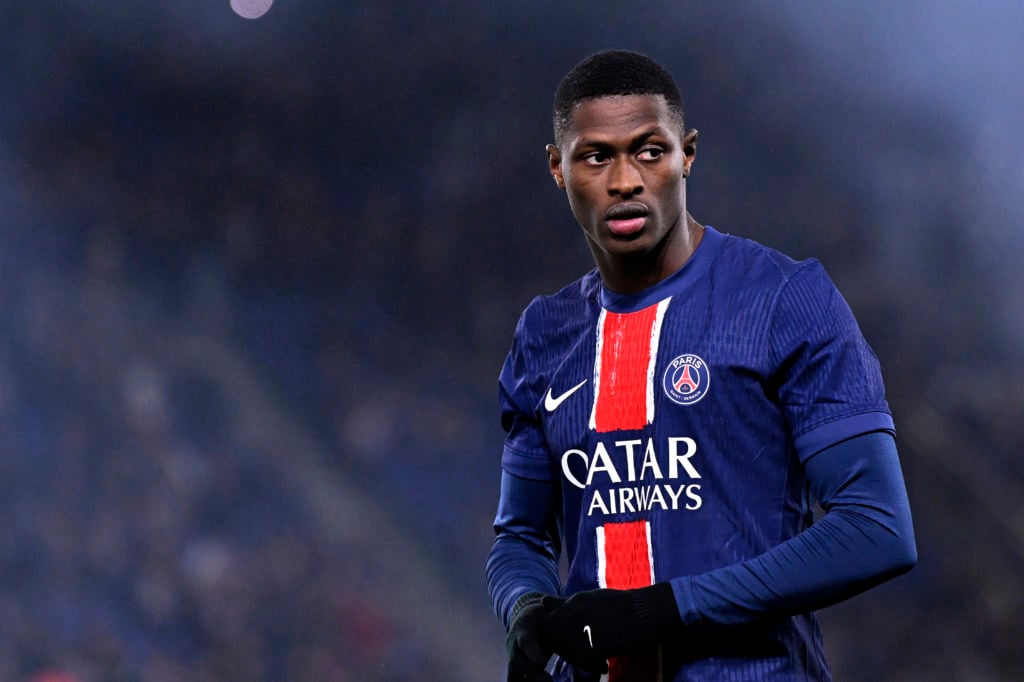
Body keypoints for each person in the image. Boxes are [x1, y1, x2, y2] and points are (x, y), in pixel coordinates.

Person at [485, 50, 917, 682]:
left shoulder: (784, 298)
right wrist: (525, 609)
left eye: (650, 150)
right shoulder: (545, 333)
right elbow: (520, 536)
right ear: (558, 168)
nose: (625, 180)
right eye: (596, 156)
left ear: (687, 153)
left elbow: (877, 528)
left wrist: (667, 608)